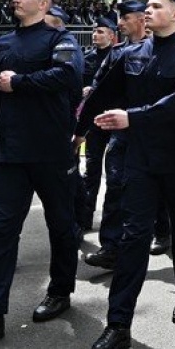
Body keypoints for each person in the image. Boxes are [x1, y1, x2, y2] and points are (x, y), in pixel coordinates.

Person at [74, 0, 175, 349]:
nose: (149, 11)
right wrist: (79, 129)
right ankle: (118, 326)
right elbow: (102, 93)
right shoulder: (128, 54)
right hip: (139, 162)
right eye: (147, 6)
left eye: (157, 6)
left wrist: (131, 118)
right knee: (134, 239)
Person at [0, 0, 82, 349]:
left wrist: (21, 83)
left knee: (61, 225)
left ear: (43, 4)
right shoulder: (7, 41)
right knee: (0, 231)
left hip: (50, 150)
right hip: (11, 153)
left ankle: (60, 291)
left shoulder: (60, 39)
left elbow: (68, 77)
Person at [86, 0, 148, 271]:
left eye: (125, 18)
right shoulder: (117, 52)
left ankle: (140, 245)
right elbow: (99, 88)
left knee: (145, 195)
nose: (120, 23)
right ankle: (111, 247)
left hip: (148, 132)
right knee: (115, 188)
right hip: (119, 132)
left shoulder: (158, 51)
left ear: (141, 20)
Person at [73, 15, 119, 235]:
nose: (95, 35)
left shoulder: (120, 56)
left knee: (114, 174)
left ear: (112, 35)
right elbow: (79, 83)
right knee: (91, 171)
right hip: (94, 121)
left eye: (101, 32)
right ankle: (84, 218)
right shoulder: (88, 58)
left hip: (115, 121)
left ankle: (114, 224)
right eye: (94, 31)